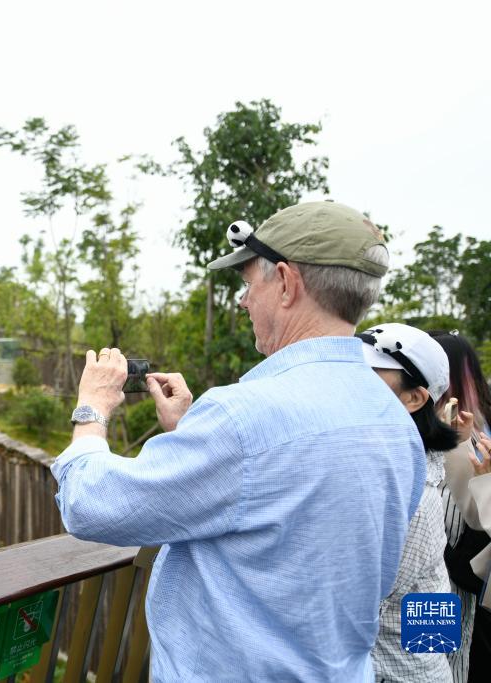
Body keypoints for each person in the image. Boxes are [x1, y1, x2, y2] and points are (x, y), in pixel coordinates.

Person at [52, 201, 425, 681]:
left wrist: (92, 407)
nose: (244, 301)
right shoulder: (393, 420)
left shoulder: (244, 416)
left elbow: (90, 504)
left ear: (286, 283)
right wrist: (191, 433)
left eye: (249, 285)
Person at [357, 323, 457, 682]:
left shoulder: (415, 494)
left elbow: (360, 603)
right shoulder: (411, 464)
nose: (352, 381)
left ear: (414, 398)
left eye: (370, 374)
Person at [428, 330, 491, 681]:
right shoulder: (476, 428)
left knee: (436, 662)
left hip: (448, 583)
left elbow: (472, 515)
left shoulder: (466, 437)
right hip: (456, 585)